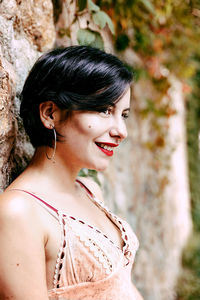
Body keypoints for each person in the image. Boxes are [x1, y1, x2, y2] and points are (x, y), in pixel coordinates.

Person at [0, 46, 143, 300]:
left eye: (124, 115)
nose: (122, 131)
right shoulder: (18, 212)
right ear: (50, 113)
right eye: (104, 110)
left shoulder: (90, 190)